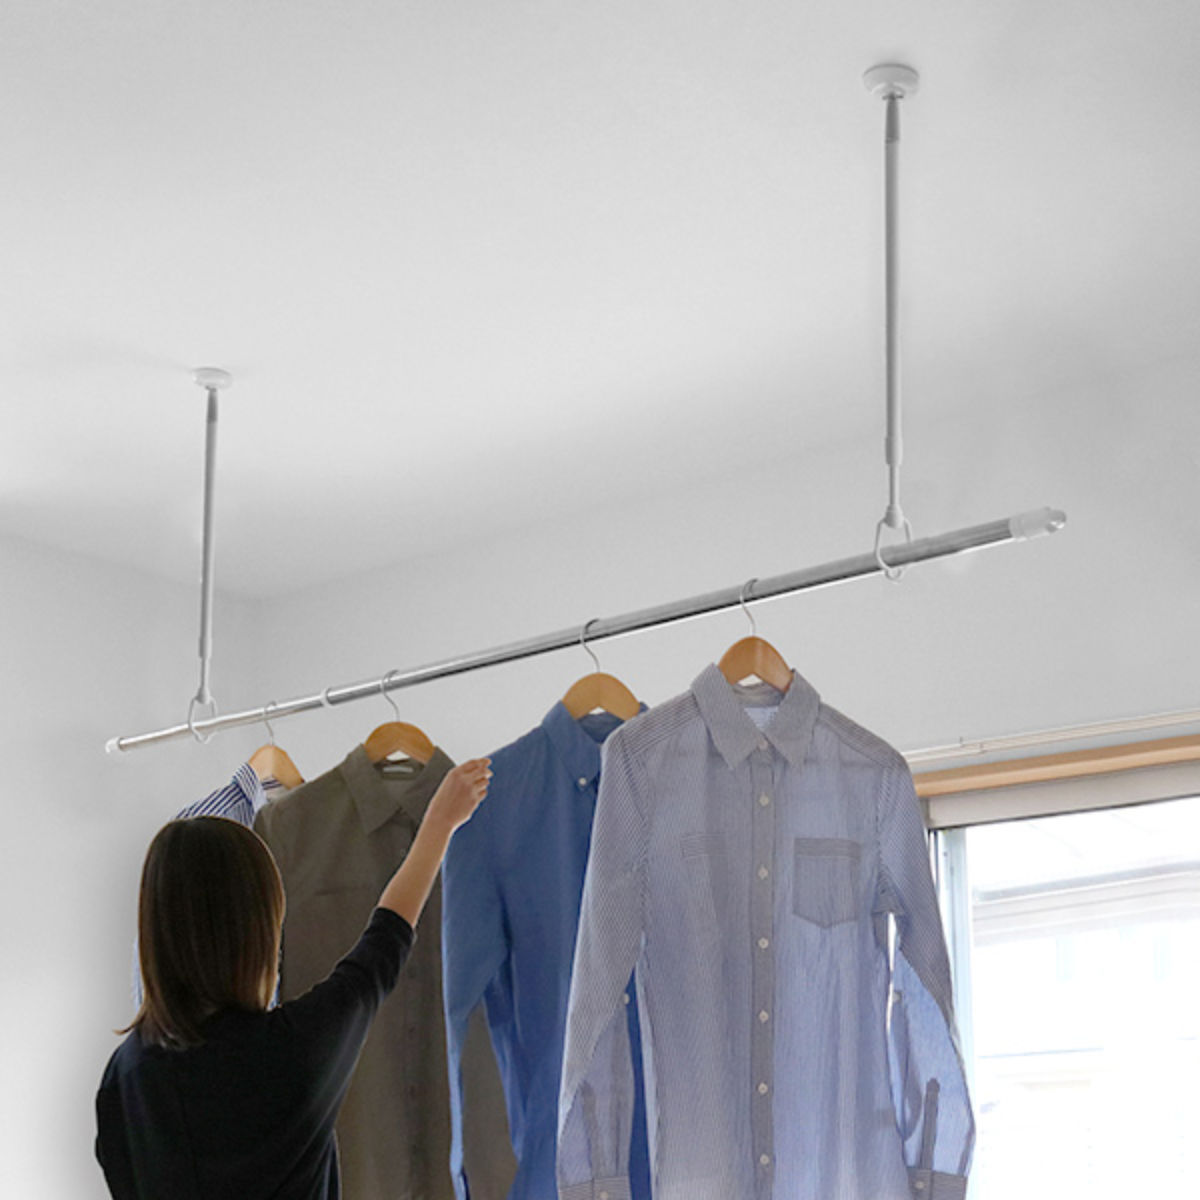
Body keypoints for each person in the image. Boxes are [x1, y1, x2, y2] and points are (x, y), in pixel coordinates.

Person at [95, 757, 492, 1200]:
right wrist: (439, 824)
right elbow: (384, 944)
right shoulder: (290, 1052)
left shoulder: (124, 1075)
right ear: (256, 930)